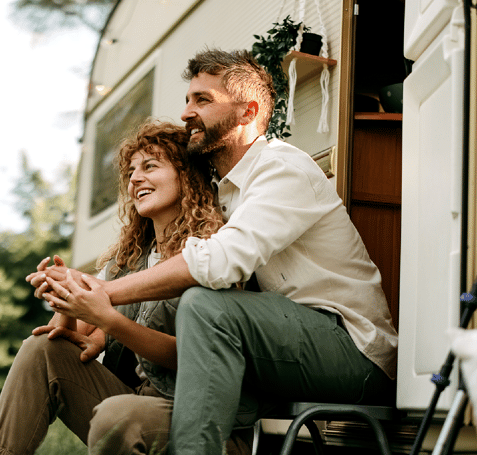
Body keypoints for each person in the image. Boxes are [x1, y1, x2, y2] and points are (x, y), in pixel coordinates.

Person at [37, 48, 399, 455]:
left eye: (203, 100)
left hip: (351, 352)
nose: (187, 111)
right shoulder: (222, 193)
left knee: (206, 304)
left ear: (247, 112)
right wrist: (94, 317)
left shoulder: (282, 169)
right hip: (276, 349)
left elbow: (221, 262)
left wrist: (103, 293)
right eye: (188, 99)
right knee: (199, 314)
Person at [0, 119, 251, 455]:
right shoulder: (127, 261)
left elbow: (199, 359)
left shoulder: (213, 255)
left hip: (201, 420)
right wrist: (65, 299)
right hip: (131, 400)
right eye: (132, 172)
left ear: (186, 174)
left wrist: (112, 323)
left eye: (150, 166)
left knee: (117, 415)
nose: (135, 178)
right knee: (40, 348)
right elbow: (68, 339)